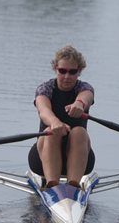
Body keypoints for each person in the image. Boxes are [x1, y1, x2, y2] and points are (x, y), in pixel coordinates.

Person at [33, 45, 95, 200]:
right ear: (56, 69)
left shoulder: (84, 88)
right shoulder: (45, 89)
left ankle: (73, 187)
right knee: (52, 131)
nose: (67, 76)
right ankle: (52, 186)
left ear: (79, 71)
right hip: (42, 158)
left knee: (79, 131)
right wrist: (55, 122)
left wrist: (79, 104)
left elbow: (86, 97)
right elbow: (43, 110)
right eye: (62, 71)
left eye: (72, 72)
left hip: (80, 156)